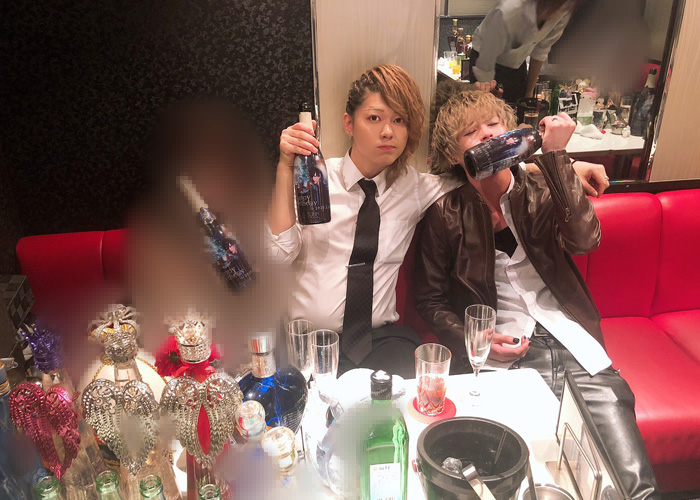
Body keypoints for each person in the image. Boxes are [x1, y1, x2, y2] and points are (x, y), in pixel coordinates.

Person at [414, 89, 659, 500]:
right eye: (470, 132)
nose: (486, 135)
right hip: (507, 357)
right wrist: (473, 339)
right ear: (454, 155)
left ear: (512, 134)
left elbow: (584, 241)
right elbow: (430, 300)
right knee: (524, 479)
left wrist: (559, 158)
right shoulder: (446, 212)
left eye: (494, 125)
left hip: (573, 342)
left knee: (632, 485)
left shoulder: (542, 185)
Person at [267, 65, 461, 378]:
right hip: (309, 344)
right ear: (349, 123)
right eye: (374, 118)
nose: (388, 132)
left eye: (399, 120)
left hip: (379, 342)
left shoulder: (414, 187)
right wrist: (284, 167)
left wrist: (535, 164)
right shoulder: (313, 179)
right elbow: (276, 257)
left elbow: (476, 174)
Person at [468, 0, 579, 102]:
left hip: (517, 62)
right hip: (484, 57)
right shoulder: (509, 10)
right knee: (485, 106)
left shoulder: (564, 9)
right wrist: (488, 95)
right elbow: (485, 64)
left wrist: (529, 93)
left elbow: (541, 50)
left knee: (520, 106)